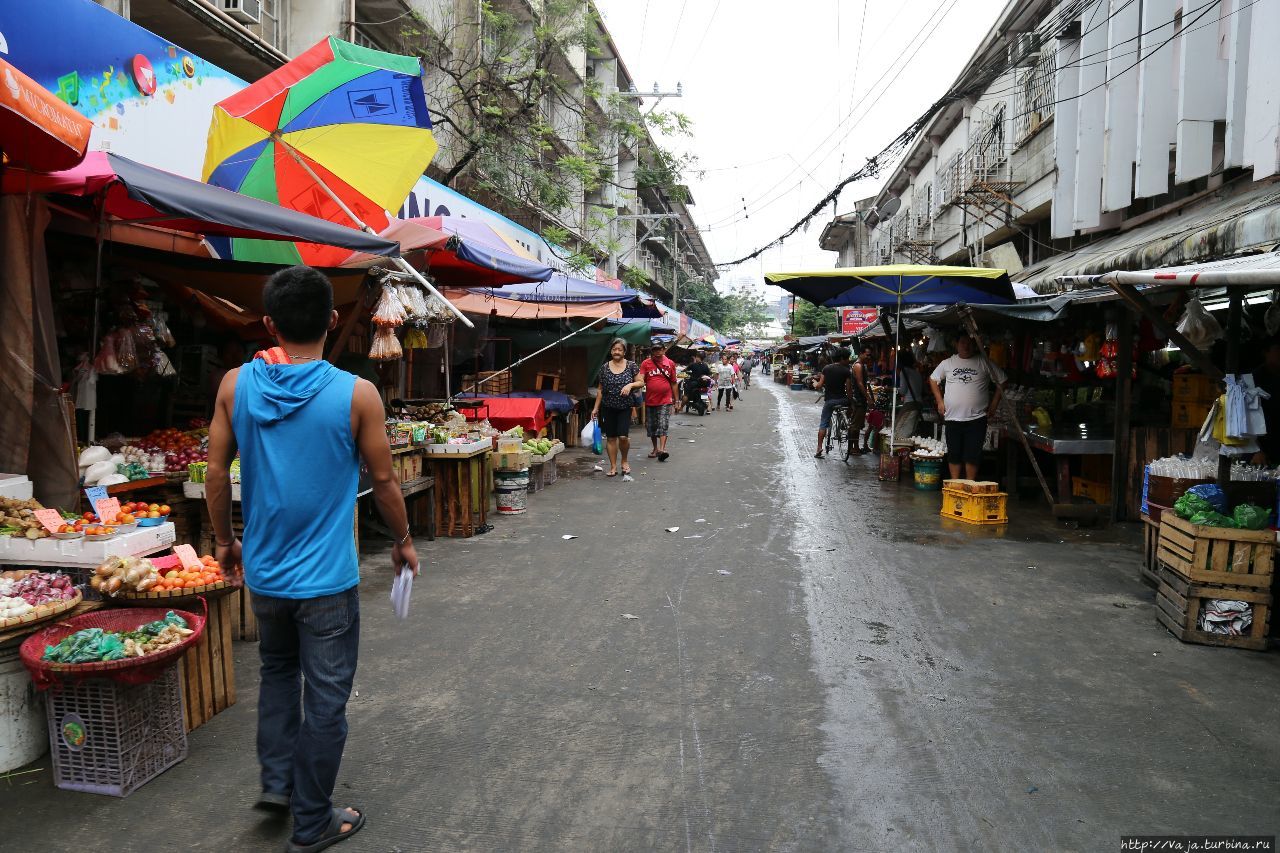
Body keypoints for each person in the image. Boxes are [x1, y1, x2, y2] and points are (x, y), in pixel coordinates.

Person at [206, 266, 419, 852]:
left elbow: (216, 474)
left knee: (278, 674)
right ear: (331, 322)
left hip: (267, 577)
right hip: (326, 579)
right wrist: (401, 541)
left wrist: (225, 542)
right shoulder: (356, 394)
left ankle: (278, 785)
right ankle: (312, 820)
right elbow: (383, 480)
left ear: (269, 324)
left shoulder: (234, 385)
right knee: (326, 698)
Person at [928, 333, 1007, 480]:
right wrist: (940, 401)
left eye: (970, 343)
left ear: (975, 345)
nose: (966, 346)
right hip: (952, 417)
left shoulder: (984, 362)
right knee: (954, 454)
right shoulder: (948, 363)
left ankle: (969, 485)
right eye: (963, 342)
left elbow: (1002, 380)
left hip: (977, 418)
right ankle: (955, 485)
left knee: (973, 455)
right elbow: (933, 379)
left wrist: (994, 404)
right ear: (956, 345)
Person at [591, 338, 644, 477]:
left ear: (624, 352)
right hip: (608, 407)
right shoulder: (604, 368)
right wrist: (595, 408)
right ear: (611, 351)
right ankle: (613, 466)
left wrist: (630, 385)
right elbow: (600, 390)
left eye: (620, 349)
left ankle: (624, 461)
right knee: (611, 438)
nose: (617, 352)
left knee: (623, 437)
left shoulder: (631, 366)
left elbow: (641, 382)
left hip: (625, 407)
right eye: (614, 349)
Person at [813, 348, 853, 458]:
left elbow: (820, 385)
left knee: (823, 424)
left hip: (830, 401)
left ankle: (819, 447)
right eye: (847, 358)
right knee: (847, 410)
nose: (848, 361)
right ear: (841, 359)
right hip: (843, 400)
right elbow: (849, 390)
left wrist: (815, 383)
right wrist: (850, 403)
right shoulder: (846, 371)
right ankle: (843, 423)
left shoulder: (826, 369)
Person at [640, 342, 677, 461]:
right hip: (650, 400)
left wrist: (677, 400)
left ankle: (662, 449)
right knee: (651, 426)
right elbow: (641, 379)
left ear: (663, 349)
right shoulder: (646, 363)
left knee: (662, 424)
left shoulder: (670, 363)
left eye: (659, 349)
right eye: (654, 349)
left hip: (665, 400)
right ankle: (655, 448)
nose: (657, 352)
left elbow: (673, 382)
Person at [1251, 339, 1280, 464]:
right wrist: (1256, 450)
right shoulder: (1253, 379)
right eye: (1278, 350)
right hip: (1259, 451)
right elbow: (1245, 418)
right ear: (1266, 353)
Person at [891, 348, 926, 441]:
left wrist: (893, 390)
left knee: (899, 432)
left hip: (910, 404)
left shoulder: (905, 371)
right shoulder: (916, 372)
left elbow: (902, 390)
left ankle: (901, 453)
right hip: (918, 403)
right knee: (910, 431)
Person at [850, 347, 874, 453]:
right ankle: (852, 448)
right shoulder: (858, 366)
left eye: (869, 355)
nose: (868, 357)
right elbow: (860, 383)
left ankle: (855, 447)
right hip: (859, 399)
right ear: (861, 353)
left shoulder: (862, 365)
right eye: (867, 354)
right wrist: (868, 398)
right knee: (855, 425)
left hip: (861, 398)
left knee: (858, 425)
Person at [685, 351, 712, 415]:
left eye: (696, 357)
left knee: (687, 390)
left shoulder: (693, 365)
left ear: (697, 357)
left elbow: (685, 370)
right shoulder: (705, 365)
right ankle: (708, 408)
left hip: (695, 383)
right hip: (703, 385)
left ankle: (689, 400)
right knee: (705, 395)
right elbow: (709, 374)